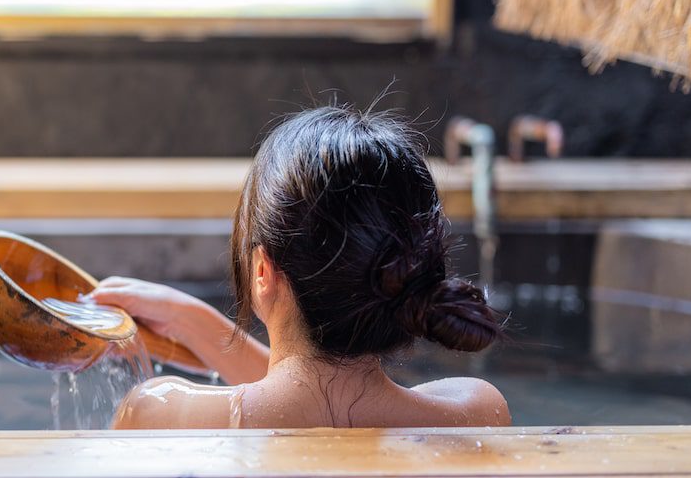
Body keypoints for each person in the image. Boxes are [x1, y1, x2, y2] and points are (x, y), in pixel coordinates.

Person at [89, 105, 510, 429]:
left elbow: (295, 398)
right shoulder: (476, 414)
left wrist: (194, 320)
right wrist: (194, 322)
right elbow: (323, 399)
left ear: (261, 271)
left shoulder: (158, 414)